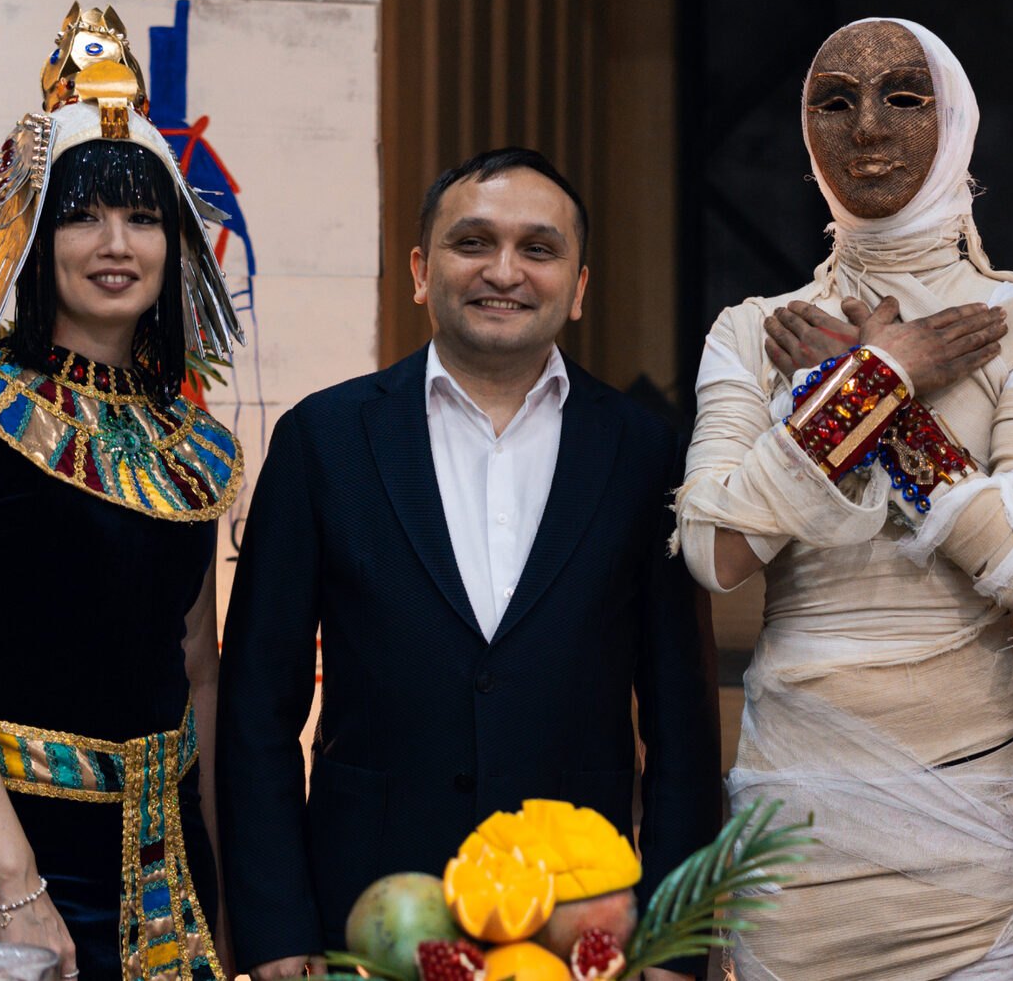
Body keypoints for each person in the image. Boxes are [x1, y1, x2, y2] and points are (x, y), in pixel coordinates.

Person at [216, 147, 722, 981]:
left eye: (538, 249)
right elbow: (256, 713)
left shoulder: (645, 455)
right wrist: (276, 933)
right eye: (473, 243)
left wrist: (674, 948)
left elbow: (682, 727)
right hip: (365, 919)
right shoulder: (323, 440)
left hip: (575, 925)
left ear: (579, 287)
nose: (504, 271)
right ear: (421, 272)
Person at [676, 17, 1013, 980]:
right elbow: (713, 553)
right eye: (834, 101)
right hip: (794, 843)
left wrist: (869, 394)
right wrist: (879, 378)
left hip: (968, 844)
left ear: (955, 122)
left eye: (905, 98)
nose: (868, 126)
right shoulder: (753, 331)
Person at [0, 4, 245, 981]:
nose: (115, 242)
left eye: (142, 216)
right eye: (83, 215)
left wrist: (227, 879)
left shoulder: (189, 441)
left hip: (172, 854)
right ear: (36, 237)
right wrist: (16, 882)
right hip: (9, 847)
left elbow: (199, 670)